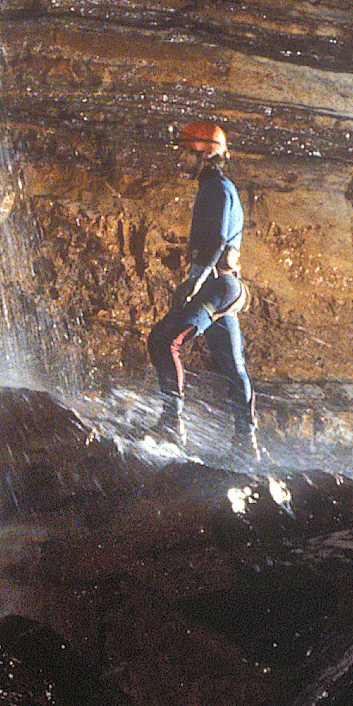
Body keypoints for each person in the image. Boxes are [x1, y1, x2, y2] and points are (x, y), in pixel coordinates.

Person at [146, 120, 259, 460]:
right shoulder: (221, 188)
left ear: (202, 153)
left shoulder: (216, 187)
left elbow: (215, 242)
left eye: (184, 151)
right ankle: (247, 441)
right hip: (225, 286)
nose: (179, 159)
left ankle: (172, 423)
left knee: (163, 340)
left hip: (217, 285)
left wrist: (193, 281)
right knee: (231, 365)